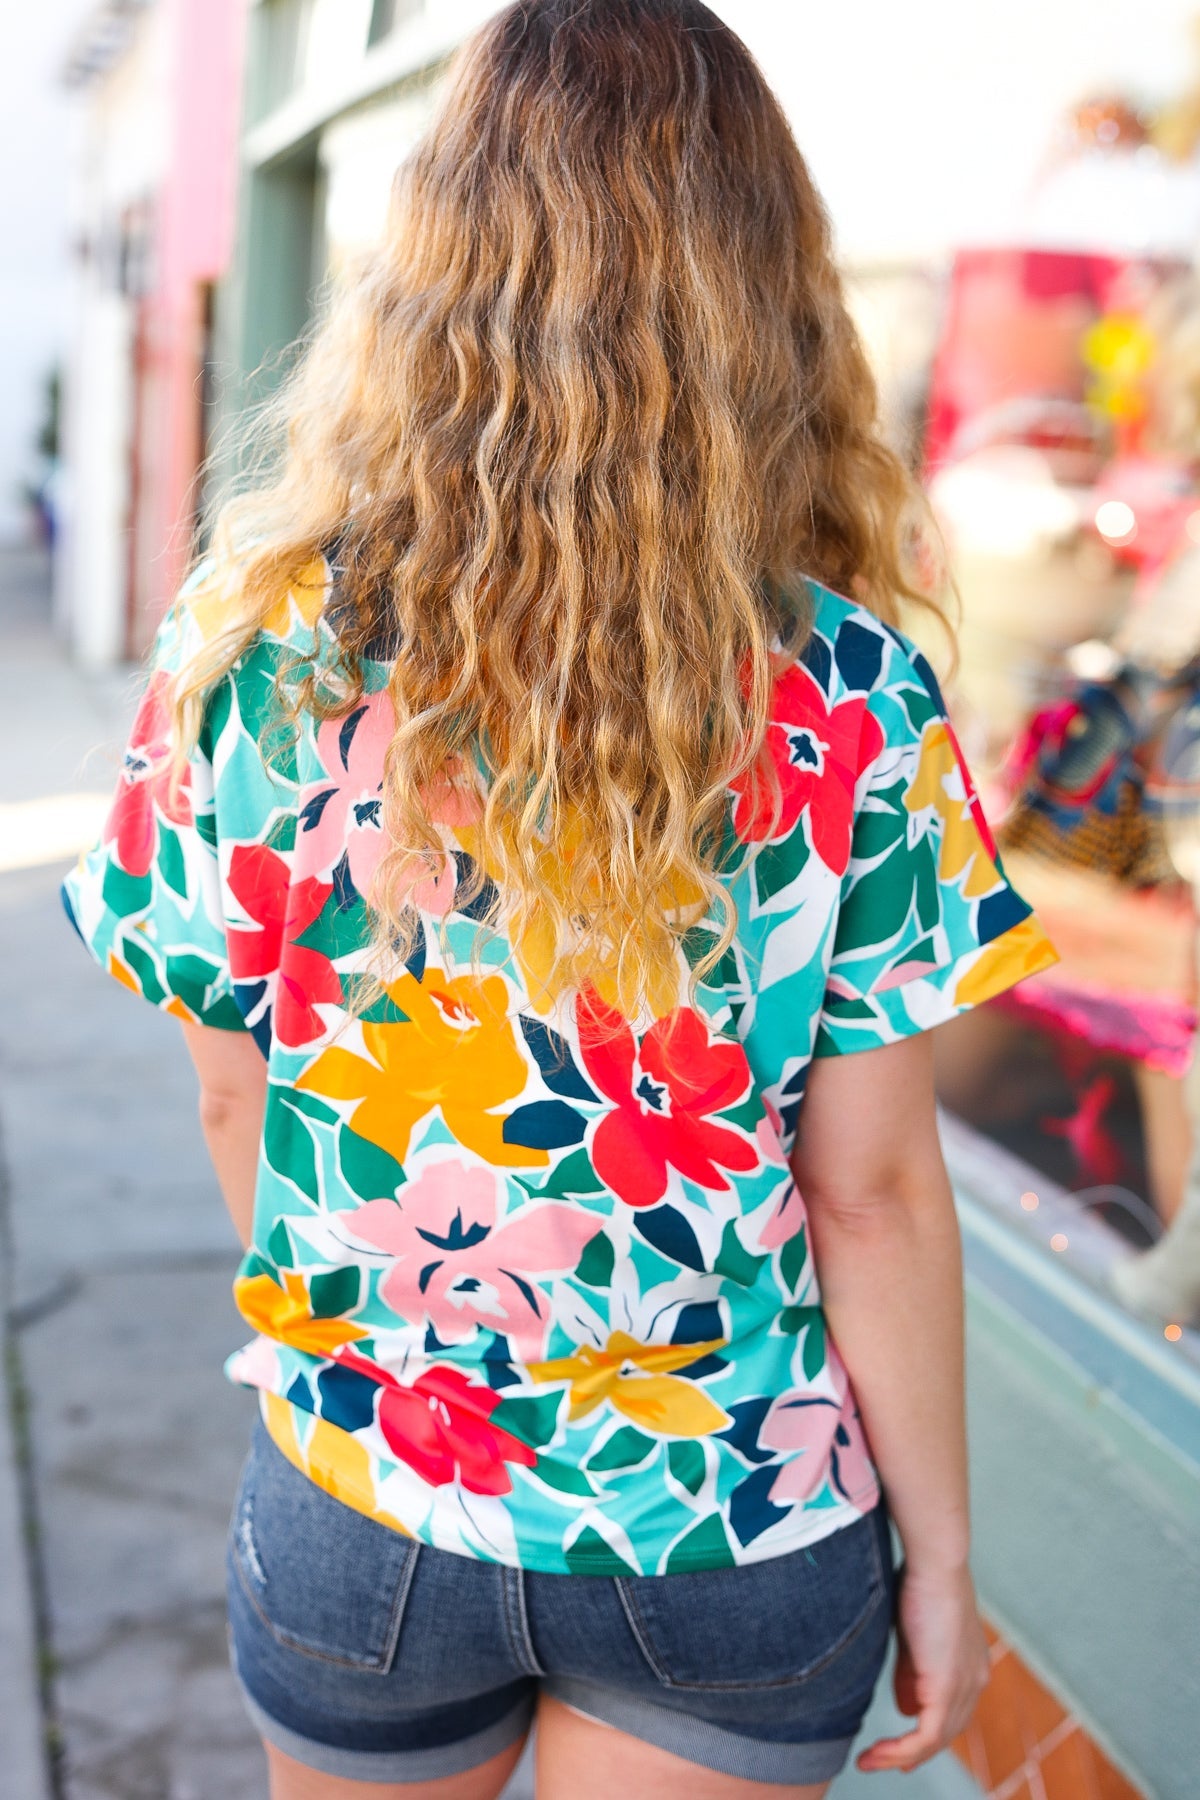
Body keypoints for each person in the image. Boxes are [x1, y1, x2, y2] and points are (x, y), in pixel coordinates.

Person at [62, 4, 1057, 1796]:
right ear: (761, 287)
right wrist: (951, 1553)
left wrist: (376, 1331)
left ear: (431, 269)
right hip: (731, 1525)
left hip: (371, 1487)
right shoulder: (852, 696)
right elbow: (883, 1190)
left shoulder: (255, 662)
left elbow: (231, 1085)